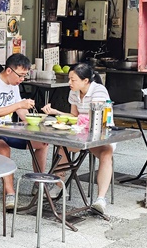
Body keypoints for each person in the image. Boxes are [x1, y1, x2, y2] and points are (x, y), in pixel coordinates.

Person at [0, 53, 48, 211]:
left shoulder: (14, 86)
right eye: (20, 75)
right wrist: (19, 104)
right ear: (8, 71)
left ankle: (38, 183)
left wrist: (36, 123)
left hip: (7, 129)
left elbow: (21, 112)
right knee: (3, 148)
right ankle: (10, 193)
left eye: (24, 76)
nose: (21, 79)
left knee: (42, 143)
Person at [41, 62, 112, 215]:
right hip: (81, 133)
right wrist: (54, 111)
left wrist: (79, 121)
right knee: (63, 146)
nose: (69, 83)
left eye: (73, 80)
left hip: (100, 132)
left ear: (85, 81)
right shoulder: (73, 92)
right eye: (69, 79)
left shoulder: (99, 91)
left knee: (107, 153)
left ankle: (100, 199)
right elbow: (74, 116)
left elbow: (96, 118)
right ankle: (60, 187)